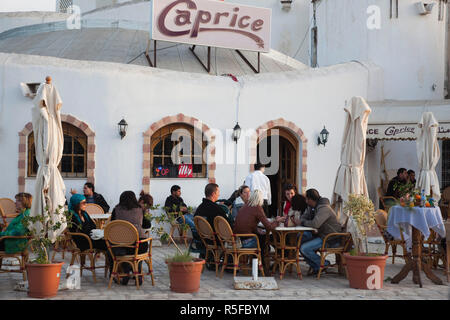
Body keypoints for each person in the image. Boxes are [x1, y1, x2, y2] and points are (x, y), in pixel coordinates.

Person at [110, 191, 152, 285]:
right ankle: (138, 274)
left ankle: (125, 272)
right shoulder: (140, 209)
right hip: (139, 245)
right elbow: (147, 224)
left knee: (112, 247)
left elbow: (112, 224)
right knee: (137, 252)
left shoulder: (116, 210)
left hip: (122, 245)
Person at [299, 189, 343, 276]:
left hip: (331, 238)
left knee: (304, 248)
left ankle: (324, 263)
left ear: (310, 199)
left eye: (306, 199)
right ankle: (317, 267)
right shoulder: (311, 207)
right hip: (322, 236)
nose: (306, 201)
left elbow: (315, 224)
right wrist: (303, 221)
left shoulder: (324, 208)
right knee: (300, 243)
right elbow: (303, 217)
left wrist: (303, 222)